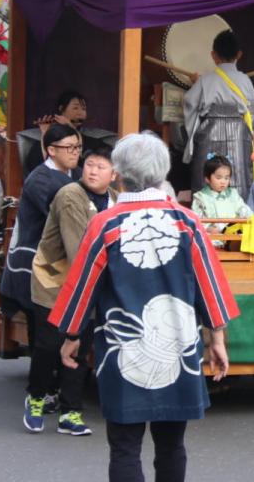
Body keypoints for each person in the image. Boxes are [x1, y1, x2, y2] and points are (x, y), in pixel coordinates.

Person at [51, 133, 238, 482]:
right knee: (171, 445)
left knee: (124, 447)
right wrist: (218, 338)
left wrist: (72, 335)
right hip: (179, 345)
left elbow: (82, 287)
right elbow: (208, 283)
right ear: (162, 170)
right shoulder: (188, 222)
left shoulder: (105, 223)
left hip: (124, 351)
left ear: (118, 172)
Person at [30, 150, 117, 437]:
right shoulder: (70, 195)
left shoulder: (115, 200)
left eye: (101, 167)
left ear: (113, 175)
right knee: (49, 344)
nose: (92, 170)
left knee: (80, 345)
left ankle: (71, 411)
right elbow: (79, 248)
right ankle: (37, 396)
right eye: (89, 164)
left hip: (91, 281)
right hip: (55, 280)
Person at [0, 123, 80, 433]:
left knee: (73, 333)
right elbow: (66, 216)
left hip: (73, 266)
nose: (75, 153)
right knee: (48, 338)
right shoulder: (40, 179)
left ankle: (66, 404)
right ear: (50, 150)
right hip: (40, 267)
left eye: (77, 146)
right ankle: (38, 394)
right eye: (69, 148)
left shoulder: (77, 175)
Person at [182, 30, 254, 199]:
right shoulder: (245, 80)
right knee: (237, 176)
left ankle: (207, 217)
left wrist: (196, 84)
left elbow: (189, 102)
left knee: (208, 176)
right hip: (238, 133)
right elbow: (251, 111)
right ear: (239, 54)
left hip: (209, 130)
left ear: (213, 55)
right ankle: (237, 219)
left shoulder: (205, 80)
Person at [192, 154, 254, 235]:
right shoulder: (200, 197)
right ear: (207, 179)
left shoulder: (233, 194)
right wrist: (210, 229)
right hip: (214, 236)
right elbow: (197, 221)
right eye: (218, 178)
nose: (223, 182)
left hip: (234, 234)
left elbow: (244, 210)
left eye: (226, 178)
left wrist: (250, 218)